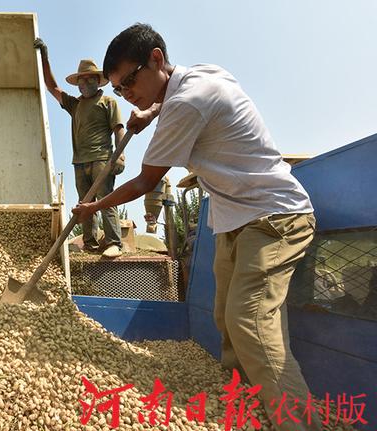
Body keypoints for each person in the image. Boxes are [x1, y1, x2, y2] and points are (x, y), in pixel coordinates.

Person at [73, 23, 322, 431]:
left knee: (250, 321)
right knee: (227, 317)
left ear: (156, 58)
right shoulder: (199, 74)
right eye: (119, 90)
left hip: (273, 217)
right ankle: (248, 400)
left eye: (130, 81)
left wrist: (95, 206)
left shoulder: (186, 104)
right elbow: (172, 100)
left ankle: (299, 423)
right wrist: (149, 112)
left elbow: (144, 181)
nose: (127, 93)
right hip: (236, 220)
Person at [34, 38, 125, 258]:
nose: (84, 83)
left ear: (97, 80)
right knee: (85, 204)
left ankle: (114, 243)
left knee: (105, 200)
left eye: (88, 79)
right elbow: (51, 87)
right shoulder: (75, 105)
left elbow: (119, 129)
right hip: (80, 161)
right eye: (81, 80)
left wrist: (120, 155)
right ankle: (90, 244)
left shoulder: (108, 102)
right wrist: (44, 57)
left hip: (102, 159)